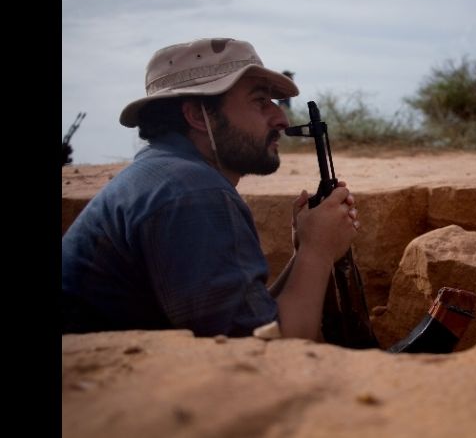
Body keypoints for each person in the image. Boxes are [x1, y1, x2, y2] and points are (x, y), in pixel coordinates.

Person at [62, 37, 360, 340]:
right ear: (197, 116)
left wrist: (303, 252)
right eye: (259, 101)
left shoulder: (167, 174)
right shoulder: (192, 193)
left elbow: (246, 322)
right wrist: (318, 251)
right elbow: (263, 353)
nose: (281, 119)